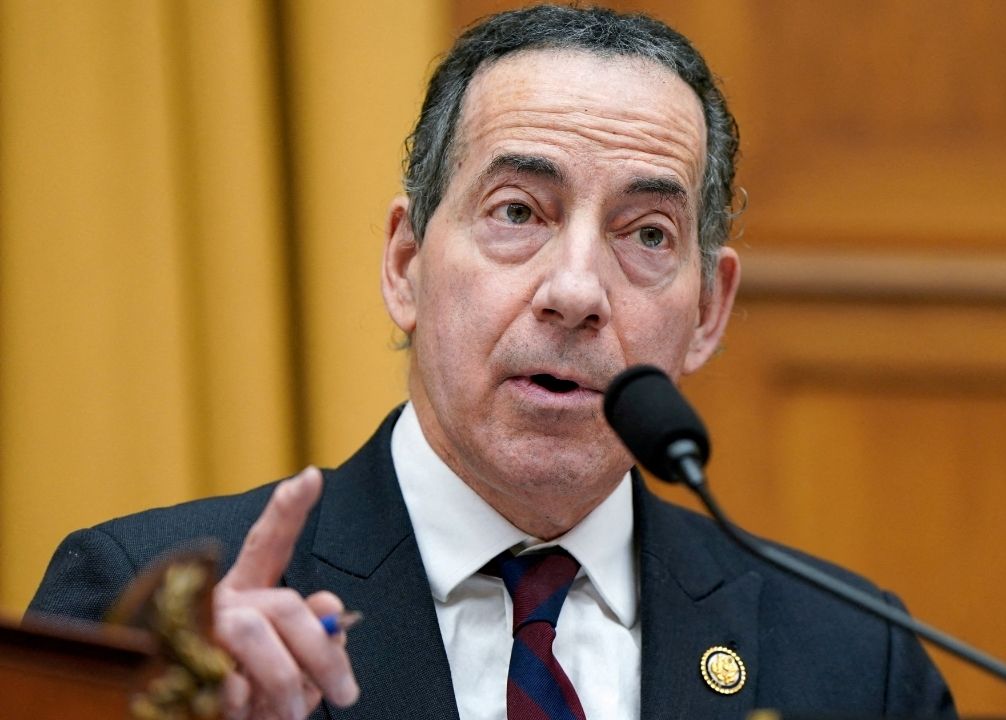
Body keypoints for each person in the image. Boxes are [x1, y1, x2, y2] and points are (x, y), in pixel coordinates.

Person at [29, 5, 955, 719]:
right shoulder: (152, 619)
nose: (577, 290)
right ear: (405, 264)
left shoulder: (853, 662)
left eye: (646, 233)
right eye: (518, 212)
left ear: (709, 309)